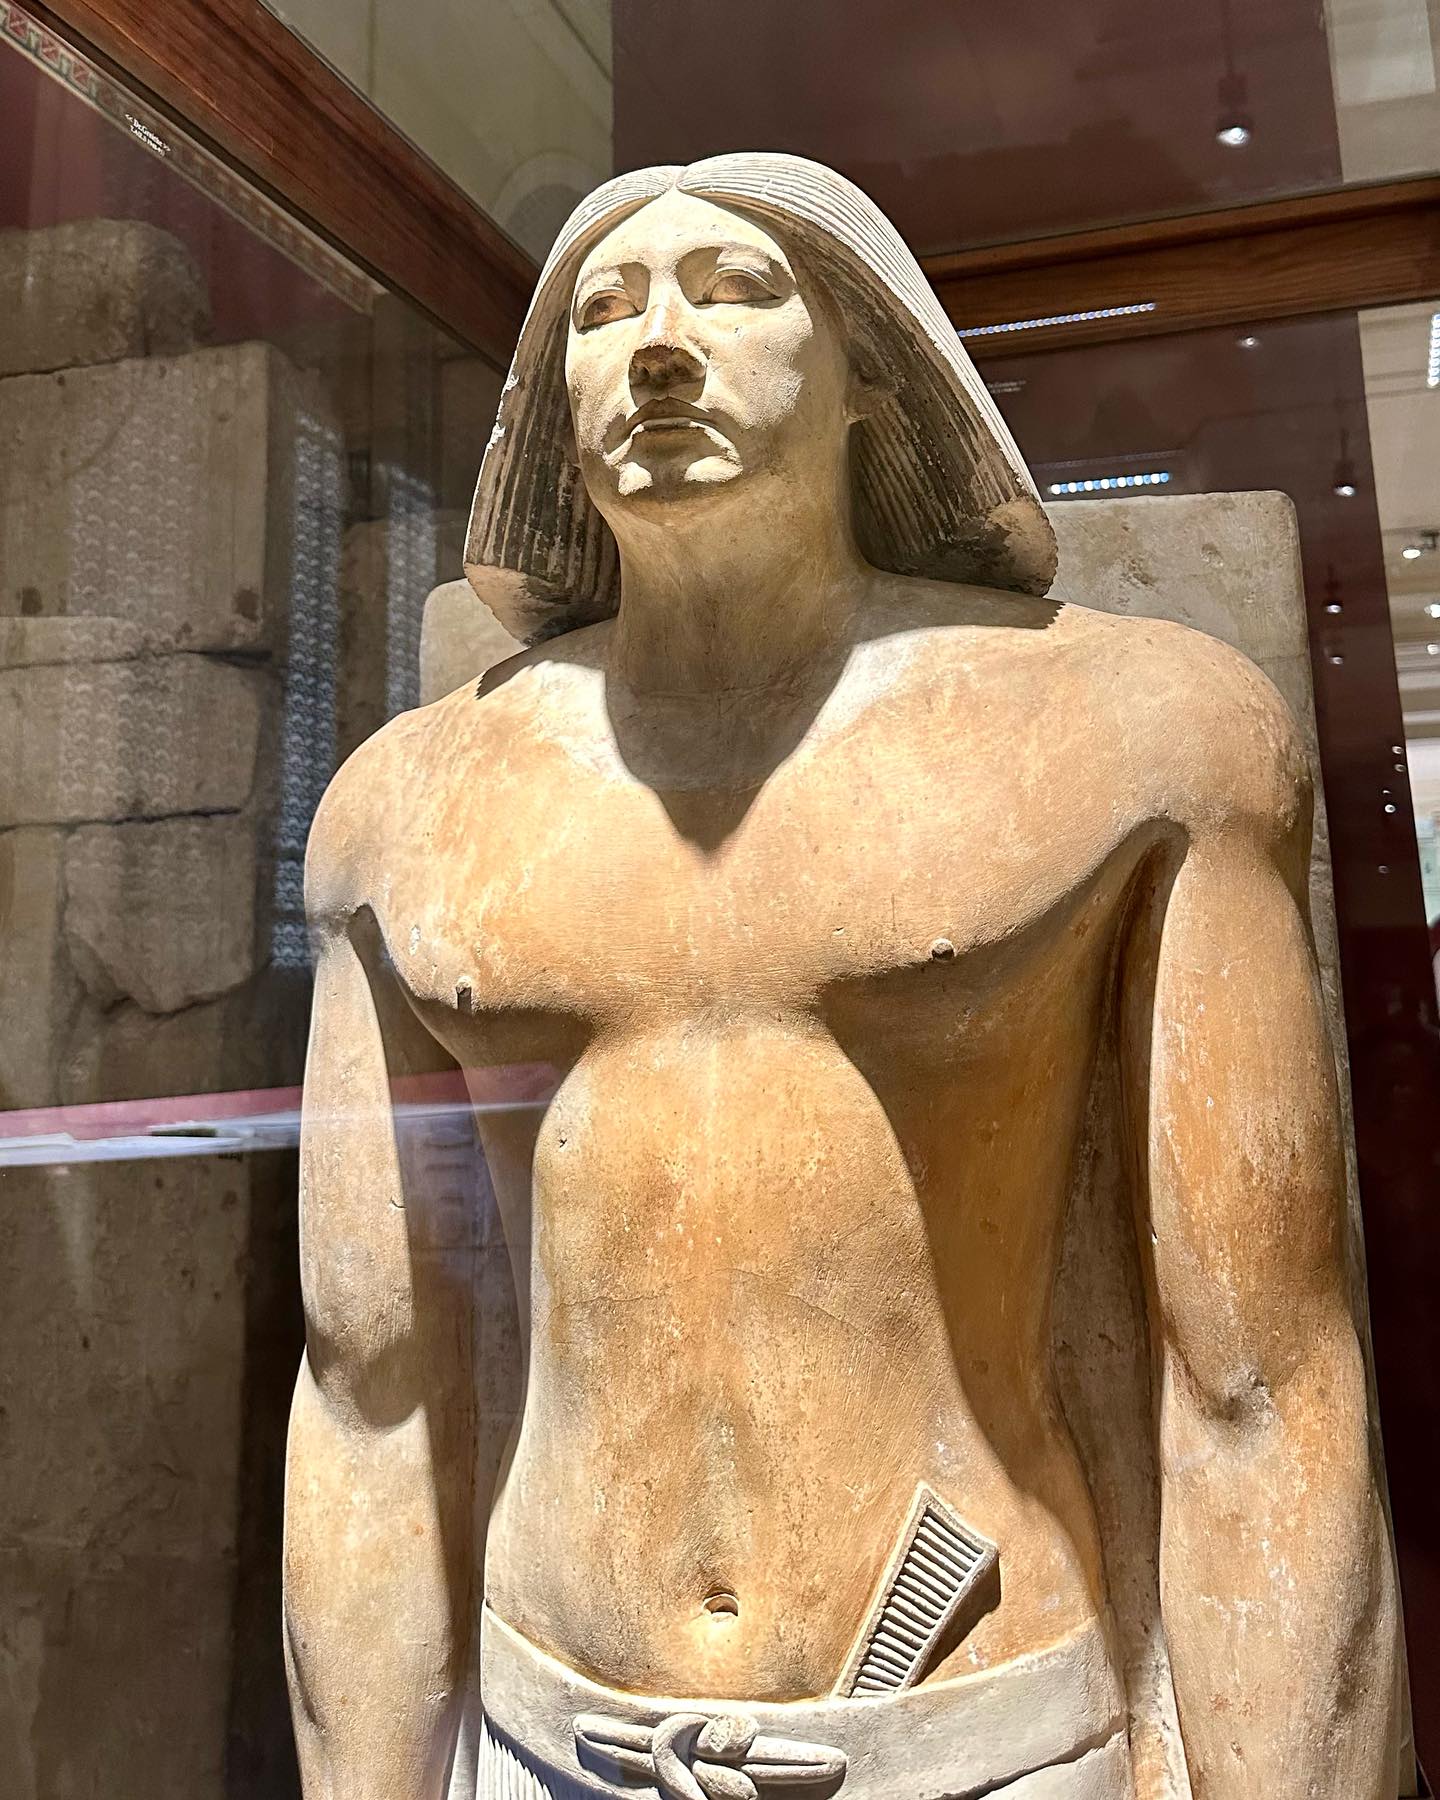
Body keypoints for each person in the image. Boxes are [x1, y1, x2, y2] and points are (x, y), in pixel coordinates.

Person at [284, 154, 1399, 1800]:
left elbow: (1261, 1386)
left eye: (734, 290)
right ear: (549, 401)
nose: (660, 346)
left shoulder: (1136, 735)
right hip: (542, 1735)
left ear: (875, 370)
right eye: (604, 310)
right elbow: (366, 1392)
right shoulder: (404, 809)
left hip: (981, 1735)